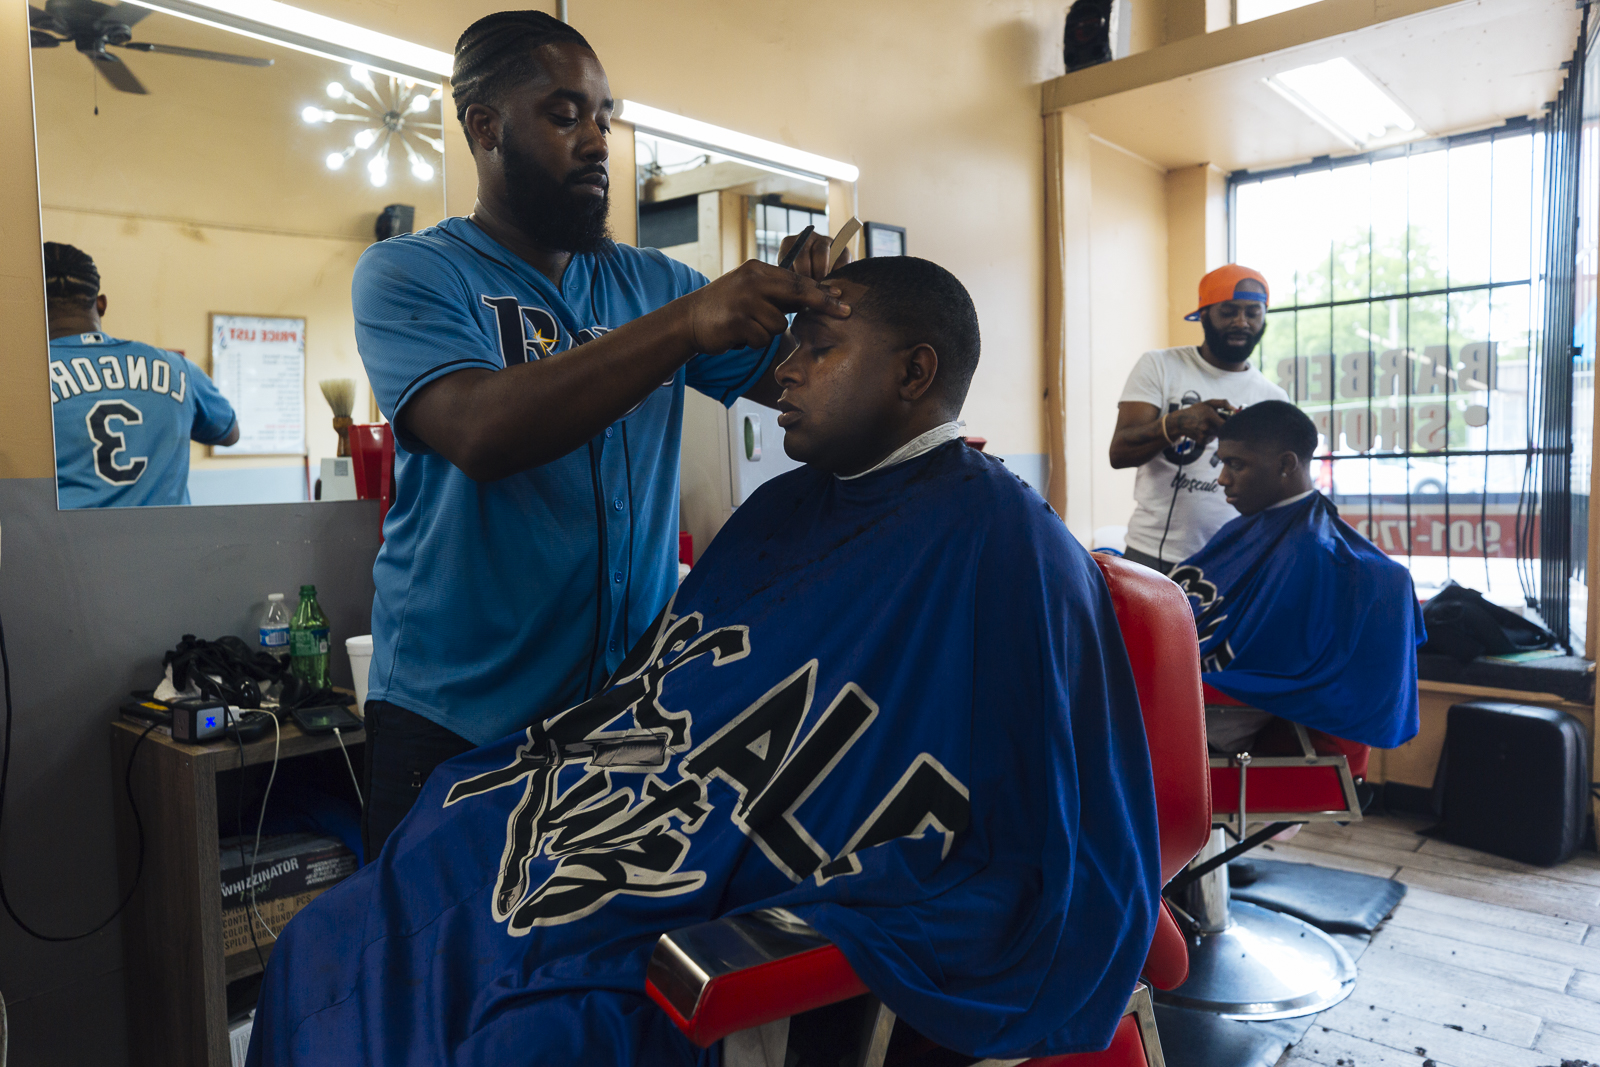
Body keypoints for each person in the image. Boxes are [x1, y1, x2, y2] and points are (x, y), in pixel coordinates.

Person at [247, 257, 1161, 1067]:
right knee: (338, 928)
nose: (785, 371)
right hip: (633, 798)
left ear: (915, 371)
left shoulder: (1007, 544)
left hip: (731, 845)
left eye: (817, 350)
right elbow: (673, 689)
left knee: (523, 1028)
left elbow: (1041, 810)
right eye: (789, 346)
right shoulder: (782, 512)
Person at [353, 11, 853, 856]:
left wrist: (827, 318)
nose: (596, 143)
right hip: (454, 725)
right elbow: (482, 430)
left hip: (621, 720)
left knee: (590, 971)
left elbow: (801, 389)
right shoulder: (411, 273)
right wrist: (687, 324)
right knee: (439, 975)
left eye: (605, 118)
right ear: (485, 126)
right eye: (563, 115)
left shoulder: (650, 281)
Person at [1170, 401, 1425, 753]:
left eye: (1236, 464)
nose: (1222, 478)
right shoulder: (1248, 528)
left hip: (1217, 716)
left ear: (1286, 464)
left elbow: (1273, 662)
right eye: (1222, 463)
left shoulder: (1317, 554)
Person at [1109, 264, 1288, 574]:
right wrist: (1176, 423)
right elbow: (1119, 453)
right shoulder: (1160, 366)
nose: (1241, 322)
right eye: (1229, 311)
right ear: (1204, 314)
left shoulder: (1273, 398)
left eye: (1252, 312)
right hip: (1152, 553)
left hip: (1235, 556)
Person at [43, 242, 238, 508]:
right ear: (101, 304)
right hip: (174, 547)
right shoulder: (178, 368)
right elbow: (229, 433)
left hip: (70, 548)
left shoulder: (21, 382)